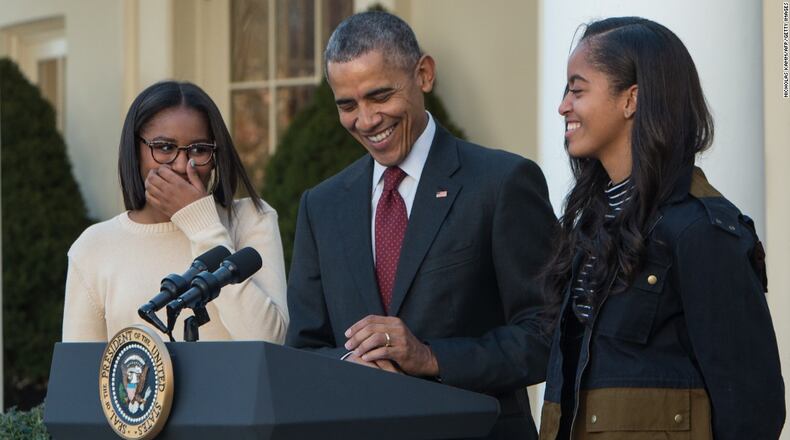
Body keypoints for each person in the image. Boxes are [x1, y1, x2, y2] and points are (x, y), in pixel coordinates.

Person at [285, 11, 556, 439]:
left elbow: (548, 335)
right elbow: (303, 351)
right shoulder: (321, 205)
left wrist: (431, 357)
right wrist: (345, 365)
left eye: (379, 96)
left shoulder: (502, 183)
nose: (367, 119)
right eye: (348, 105)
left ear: (424, 74)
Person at [539, 17, 785, 439]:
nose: (563, 106)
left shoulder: (700, 231)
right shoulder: (591, 228)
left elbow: (752, 408)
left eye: (577, 90)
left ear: (631, 99)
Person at [63, 81, 288, 343]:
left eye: (200, 149)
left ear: (215, 156)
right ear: (135, 152)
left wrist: (201, 225)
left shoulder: (252, 219)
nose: (183, 165)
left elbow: (269, 341)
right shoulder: (94, 246)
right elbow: (81, 371)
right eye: (165, 147)